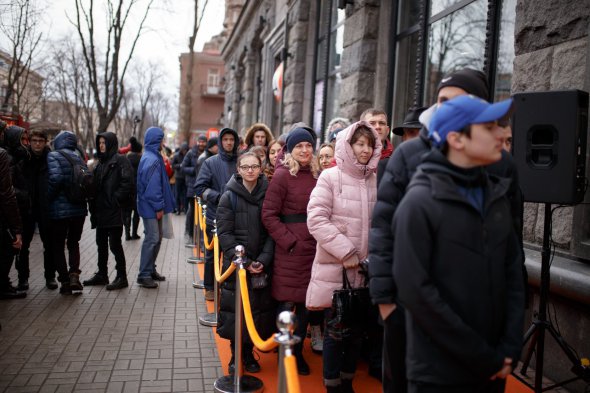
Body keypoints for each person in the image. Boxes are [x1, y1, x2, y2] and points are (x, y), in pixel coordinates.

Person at [369, 67, 493, 393]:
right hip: (407, 302)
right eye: (443, 100)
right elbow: (383, 227)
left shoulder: (494, 160)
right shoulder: (407, 155)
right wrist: (385, 300)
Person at [393, 95, 524, 392]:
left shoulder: (496, 196)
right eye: (489, 127)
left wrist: (509, 348)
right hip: (438, 374)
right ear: (456, 139)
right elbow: (418, 294)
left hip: (494, 367)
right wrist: (482, 357)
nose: (502, 134)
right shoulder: (419, 203)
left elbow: (513, 275)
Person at [307, 122, 382, 392]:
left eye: (369, 145)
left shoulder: (375, 179)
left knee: (358, 332)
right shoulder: (330, 177)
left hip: (366, 271)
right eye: (359, 144)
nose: (365, 150)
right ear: (348, 146)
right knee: (336, 331)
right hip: (336, 269)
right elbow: (315, 219)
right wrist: (346, 250)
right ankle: (332, 384)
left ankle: (348, 381)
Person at [262, 127, 320, 375]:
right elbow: (269, 214)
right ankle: (283, 350)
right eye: (299, 146)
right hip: (291, 250)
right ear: (290, 150)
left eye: (308, 146)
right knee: (287, 302)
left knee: (308, 304)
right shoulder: (282, 175)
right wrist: (289, 241)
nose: (305, 150)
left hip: (315, 249)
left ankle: (297, 352)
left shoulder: (320, 174)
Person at [216, 152, 276, 375]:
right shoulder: (228, 196)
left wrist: (263, 259)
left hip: (261, 264)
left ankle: (250, 353)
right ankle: (235, 355)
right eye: (245, 167)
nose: (250, 170)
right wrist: (244, 261)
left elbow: (272, 230)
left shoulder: (269, 194)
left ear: (260, 169)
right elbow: (224, 233)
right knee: (236, 312)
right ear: (238, 170)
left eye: (254, 166)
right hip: (236, 266)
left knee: (257, 311)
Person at [84, 132, 134, 290]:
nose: (101, 146)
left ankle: (121, 276)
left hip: (114, 210)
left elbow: (128, 182)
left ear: (111, 143)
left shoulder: (120, 160)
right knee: (101, 243)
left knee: (115, 244)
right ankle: (102, 274)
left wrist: (115, 199)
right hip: (101, 210)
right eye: (99, 143)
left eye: (104, 142)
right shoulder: (100, 162)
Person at [194, 128, 240, 300]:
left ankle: (229, 291)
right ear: (220, 142)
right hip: (215, 215)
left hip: (237, 216)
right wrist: (218, 197)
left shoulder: (241, 161)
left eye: (231, 139)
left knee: (232, 256)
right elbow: (199, 187)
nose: (229, 142)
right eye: (225, 139)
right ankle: (210, 287)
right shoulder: (210, 162)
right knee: (213, 254)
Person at [46, 131, 88, 294]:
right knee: (73, 243)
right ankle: (74, 276)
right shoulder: (79, 157)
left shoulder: (53, 156)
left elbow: (55, 179)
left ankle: (64, 280)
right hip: (78, 209)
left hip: (59, 209)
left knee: (58, 244)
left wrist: (47, 198)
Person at [136, 127, 175, 288]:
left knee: (156, 238)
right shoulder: (151, 159)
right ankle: (144, 274)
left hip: (150, 205)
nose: (163, 143)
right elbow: (153, 187)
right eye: (161, 140)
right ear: (156, 141)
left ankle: (150, 269)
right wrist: (159, 206)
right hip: (151, 207)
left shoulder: (152, 156)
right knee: (152, 238)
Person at [21, 130, 57, 290]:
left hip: (45, 207)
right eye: (34, 140)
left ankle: (50, 277)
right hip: (26, 208)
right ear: (29, 141)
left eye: (40, 141)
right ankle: (23, 278)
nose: (37, 144)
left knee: (49, 244)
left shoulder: (51, 159)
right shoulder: (23, 159)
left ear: (45, 142)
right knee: (23, 245)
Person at [2, 126, 31, 292]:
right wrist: (24, 195)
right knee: (13, 246)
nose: (26, 143)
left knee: (21, 246)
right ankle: (14, 280)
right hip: (14, 209)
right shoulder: (9, 158)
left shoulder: (23, 157)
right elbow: (8, 188)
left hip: (23, 209)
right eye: (22, 140)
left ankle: (18, 279)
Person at [0, 145, 24, 299]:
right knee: (7, 249)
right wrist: (17, 229)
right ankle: (3, 286)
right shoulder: (2, 155)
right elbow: (6, 193)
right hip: (3, 217)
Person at [182, 135, 209, 243]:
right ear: (197, 142)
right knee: (192, 211)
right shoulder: (190, 153)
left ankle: (201, 236)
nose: (201, 144)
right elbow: (183, 167)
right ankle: (189, 232)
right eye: (200, 142)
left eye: (203, 142)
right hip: (192, 186)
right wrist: (195, 170)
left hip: (203, 186)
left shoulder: (207, 154)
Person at [360, 108, 392, 182]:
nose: (378, 127)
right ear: (362, 128)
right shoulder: (348, 158)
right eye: (372, 123)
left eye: (382, 123)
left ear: (387, 130)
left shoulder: (396, 158)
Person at [124, 137, 143, 240]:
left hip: (127, 189)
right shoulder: (142, 160)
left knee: (127, 212)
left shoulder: (125, 159)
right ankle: (134, 233)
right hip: (138, 189)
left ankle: (127, 234)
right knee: (136, 212)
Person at [172, 143, 189, 214]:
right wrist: (180, 166)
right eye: (183, 150)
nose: (184, 151)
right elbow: (173, 165)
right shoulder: (176, 155)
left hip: (185, 177)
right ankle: (178, 209)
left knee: (185, 194)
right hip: (178, 177)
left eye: (186, 150)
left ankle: (185, 209)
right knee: (178, 194)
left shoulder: (188, 155)